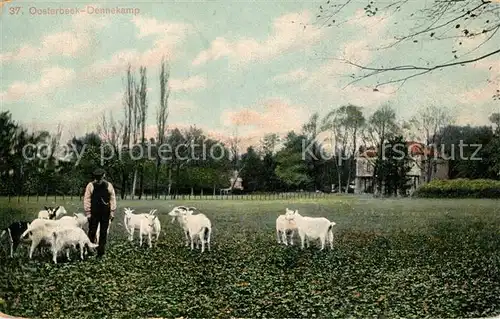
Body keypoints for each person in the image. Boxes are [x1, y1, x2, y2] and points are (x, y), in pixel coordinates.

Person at [83, 168, 116, 258]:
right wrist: (88, 213)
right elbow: (87, 199)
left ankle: (101, 252)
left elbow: (112, 199)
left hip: (105, 212)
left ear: (103, 176)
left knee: (103, 232)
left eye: (100, 178)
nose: (99, 180)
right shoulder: (90, 185)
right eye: (98, 178)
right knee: (92, 231)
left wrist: (112, 212)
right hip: (94, 212)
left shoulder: (108, 185)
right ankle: (90, 250)